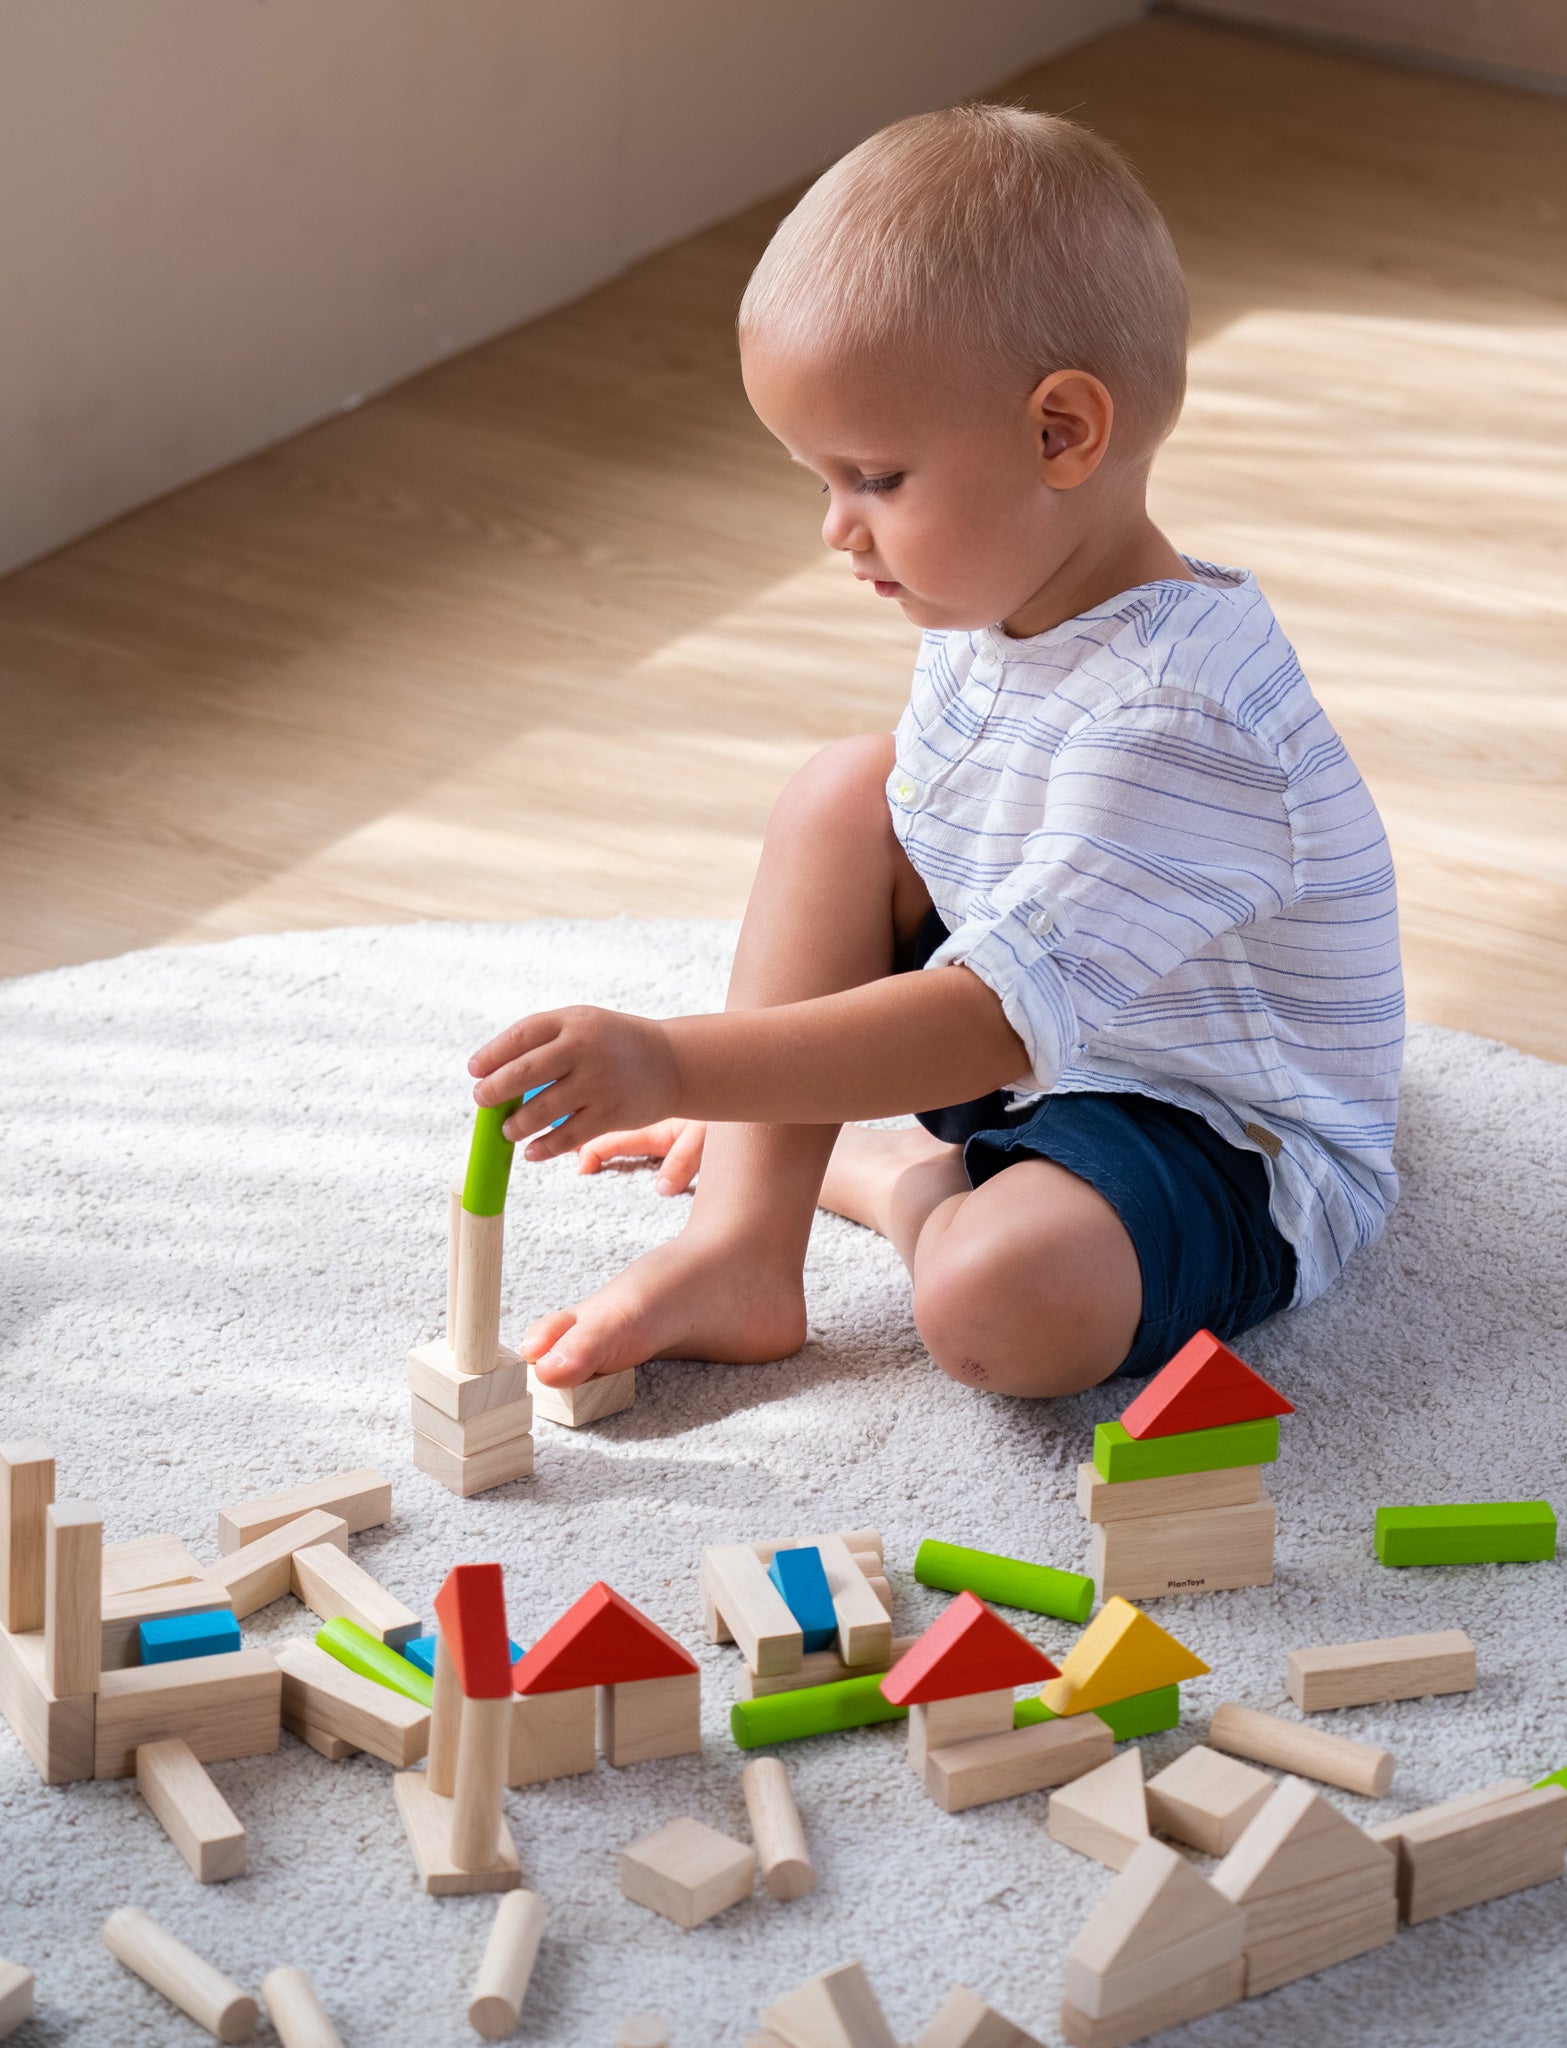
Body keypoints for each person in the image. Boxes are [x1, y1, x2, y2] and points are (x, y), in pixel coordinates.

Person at [468, 104, 1403, 1400]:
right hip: (1048, 1028)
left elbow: (981, 1026)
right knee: (844, 792)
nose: (835, 530)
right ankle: (743, 1247)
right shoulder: (1007, 593)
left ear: (1058, 434)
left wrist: (683, 1063)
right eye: (820, 479)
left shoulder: (1178, 724)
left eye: (874, 479)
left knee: (992, 1309)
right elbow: (958, 889)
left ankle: (882, 1173)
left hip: (1217, 1130)